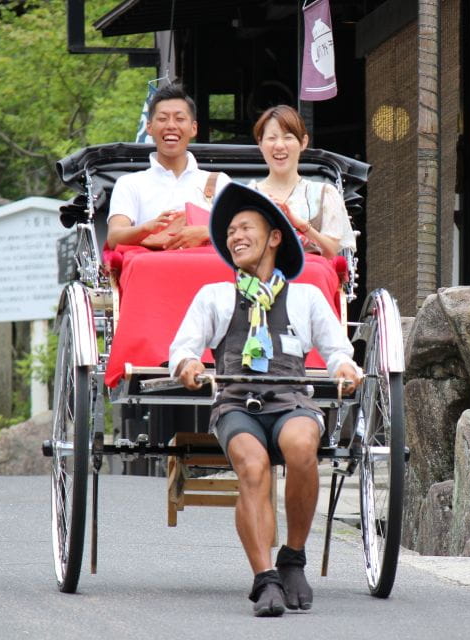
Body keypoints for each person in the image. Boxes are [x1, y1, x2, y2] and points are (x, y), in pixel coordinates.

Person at [168, 182, 361, 617]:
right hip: (236, 404)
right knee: (253, 468)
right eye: (230, 231)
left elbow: (337, 353)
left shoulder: (307, 296)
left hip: (293, 400)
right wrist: (188, 366)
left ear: (274, 236)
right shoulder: (214, 296)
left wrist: (345, 369)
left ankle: (292, 559)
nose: (234, 237)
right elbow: (182, 348)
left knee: (300, 446)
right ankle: (264, 578)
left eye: (245, 228)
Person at [107, 84, 231, 250]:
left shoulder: (219, 182)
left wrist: (206, 232)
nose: (171, 125)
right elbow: (114, 237)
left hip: (210, 274)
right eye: (163, 119)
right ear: (149, 127)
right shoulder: (130, 184)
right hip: (150, 273)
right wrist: (148, 228)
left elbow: (242, 232)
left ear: (193, 128)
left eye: (179, 119)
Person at [248, 105, 356, 260]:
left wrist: (300, 225)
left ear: (303, 142)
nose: (279, 145)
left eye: (288, 137)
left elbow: (331, 251)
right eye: (272, 138)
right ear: (260, 143)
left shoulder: (324, 194)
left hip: (310, 280)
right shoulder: (248, 195)